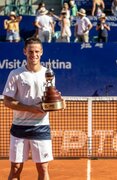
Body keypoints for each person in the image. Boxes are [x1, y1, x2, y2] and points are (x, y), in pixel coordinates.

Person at [3, 37, 54, 180]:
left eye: (37, 51)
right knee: (16, 168)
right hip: (19, 127)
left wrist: (57, 102)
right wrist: (29, 108)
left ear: (42, 52)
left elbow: (49, 99)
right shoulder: (15, 74)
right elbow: (7, 101)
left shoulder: (48, 74)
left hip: (41, 126)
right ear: (25, 52)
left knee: (43, 168)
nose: (34, 55)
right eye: (30, 51)